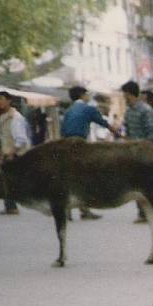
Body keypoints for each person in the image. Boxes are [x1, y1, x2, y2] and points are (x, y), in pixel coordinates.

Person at [61, 84, 110, 220]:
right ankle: (85, 210)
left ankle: (68, 211)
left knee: (71, 178)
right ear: (82, 95)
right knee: (84, 178)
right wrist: (117, 131)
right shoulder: (88, 109)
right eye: (87, 94)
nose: (88, 96)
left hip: (66, 145)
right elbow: (102, 122)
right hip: (80, 144)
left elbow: (63, 129)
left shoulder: (69, 110)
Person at [123, 82, 153, 223]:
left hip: (145, 154)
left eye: (125, 94)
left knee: (147, 185)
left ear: (130, 94)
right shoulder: (128, 111)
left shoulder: (146, 110)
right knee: (136, 186)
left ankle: (151, 212)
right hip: (132, 154)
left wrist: (145, 148)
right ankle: (142, 213)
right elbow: (128, 131)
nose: (123, 97)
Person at [0, 91, 31, 215]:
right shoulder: (4, 117)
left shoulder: (15, 117)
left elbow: (21, 139)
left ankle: (11, 206)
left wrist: (11, 153)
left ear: (9, 101)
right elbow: (4, 137)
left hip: (15, 154)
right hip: (8, 153)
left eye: (2, 99)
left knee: (8, 181)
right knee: (7, 181)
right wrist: (0, 152)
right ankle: (10, 205)